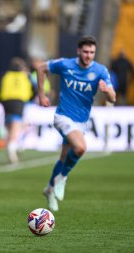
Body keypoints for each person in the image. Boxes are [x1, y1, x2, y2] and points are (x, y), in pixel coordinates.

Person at [37, 36, 116, 212]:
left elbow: (113, 96)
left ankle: (49, 190)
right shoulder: (65, 64)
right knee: (80, 148)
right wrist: (42, 95)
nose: (89, 55)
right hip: (63, 117)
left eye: (92, 52)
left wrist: (106, 92)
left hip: (81, 122)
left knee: (64, 157)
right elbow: (41, 68)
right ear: (79, 51)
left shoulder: (100, 71)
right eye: (86, 52)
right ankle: (62, 178)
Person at [0, 57, 34, 163]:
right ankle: (12, 147)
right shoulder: (26, 76)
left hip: (6, 101)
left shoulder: (6, 75)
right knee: (17, 125)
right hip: (19, 101)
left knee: (10, 124)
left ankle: (12, 143)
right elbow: (34, 89)